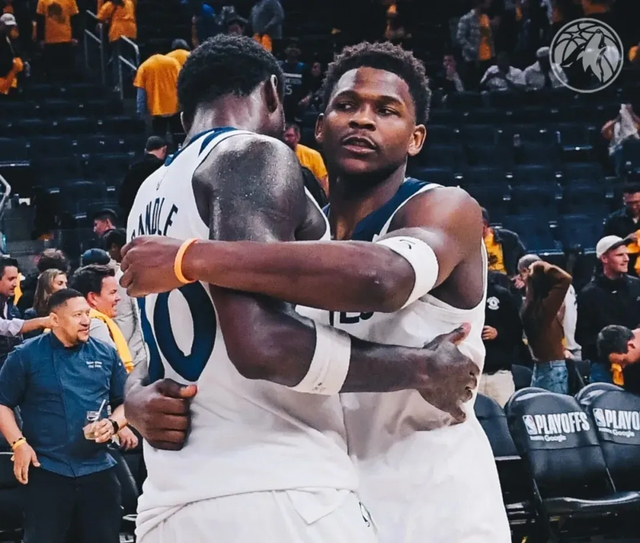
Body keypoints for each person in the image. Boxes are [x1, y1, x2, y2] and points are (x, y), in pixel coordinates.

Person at [121, 38, 507, 543]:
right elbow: (210, 333)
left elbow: (384, 277)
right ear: (318, 127)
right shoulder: (290, 229)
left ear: (416, 138)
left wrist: (191, 258)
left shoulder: (445, 208)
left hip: (433, 498)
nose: (363, 120)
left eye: (386, 110)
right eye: (347, 105)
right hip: (321, 492)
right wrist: (135, 394)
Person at [0, 288, 136, 543]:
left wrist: (114, 423)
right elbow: (2, 403)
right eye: (77, 315)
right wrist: (18, 444)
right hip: (47, 468)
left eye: (87, 314)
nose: (86, 321)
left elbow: (127, 402)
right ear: (54, 320)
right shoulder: (25, 356)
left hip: (97, 467)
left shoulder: (105, 353)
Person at [577, 235, 640, 367]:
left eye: (626, 254)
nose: (626, 259)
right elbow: (582, 336)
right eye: (620, 255)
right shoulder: (588, 294)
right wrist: (613, 347)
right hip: (603, 365)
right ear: (604, 258)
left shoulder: (636, 286)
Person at [521, 260, 572, 394]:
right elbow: (565, 279)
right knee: (556, 406)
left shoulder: (531, 308)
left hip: (542, 367)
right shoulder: (544, 311)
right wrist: (543, 266)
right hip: (553, 370)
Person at [70, 265, 133, 373]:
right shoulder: (95, 325)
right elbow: (105, 372)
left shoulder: (68, 320)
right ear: (93, 298)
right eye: (112, 292)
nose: (118, 298)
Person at [104, 228, 147, 369]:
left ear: (114, 247)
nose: (110, 255)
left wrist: (130, 353)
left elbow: (138, 318)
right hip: (125, 347)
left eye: (110, 250)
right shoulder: (119, 275)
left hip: (134, 350)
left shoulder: (128, 276)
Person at [480, 271, 522, 406]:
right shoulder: (458, 295)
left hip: (499, 373)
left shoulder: (501, 294)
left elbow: (516, 332)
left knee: (505, 413)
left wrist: (498, 333)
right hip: (470, 374)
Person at [0, 257, 50, 368]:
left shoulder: (13, 308)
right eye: (10, 279)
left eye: (16, 279)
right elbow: (5, 327)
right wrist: (42, 322)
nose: (15, 284)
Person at [134, 50, 181, 137]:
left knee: (159, 137)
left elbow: (141, 94)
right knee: (178, 136)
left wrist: (141, 112)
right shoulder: (173, 62)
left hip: (156, 109)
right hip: (175, 107)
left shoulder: (144, 67)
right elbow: (181, 83)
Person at [119, 136, 167, 217]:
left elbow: (122, 200)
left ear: (145, 150)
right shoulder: (163, 169)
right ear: (164, 149)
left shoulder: (133, 168)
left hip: (135, 217)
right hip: (157, 216)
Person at [35, 0, 79, 82]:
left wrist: (75, 36)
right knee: (51, 71)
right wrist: (41, 38)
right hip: (49, 39)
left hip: (66, 38)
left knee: (66, 70)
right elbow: (40, 21)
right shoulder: (42, 1)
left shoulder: (70, 1)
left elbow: (75, 19)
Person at [97, 0, 136, 87]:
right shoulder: (129, 3)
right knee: (127, 55)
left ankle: (118, 83)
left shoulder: (110, 4)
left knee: (117, 58)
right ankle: (131, 74)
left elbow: (100, 16)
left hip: (117, 32)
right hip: (131, 31)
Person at [456, 0, 495, 89]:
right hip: (472, 60)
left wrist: (492, 53)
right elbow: (460, 37)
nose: (489, 6)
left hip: (487, 59)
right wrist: (472, 49)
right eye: (487, 3)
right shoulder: (466, 18)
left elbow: (488, 36)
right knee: (473, 87)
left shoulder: (485, 18)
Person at [17, 248, 69, 313]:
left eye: (65, 283)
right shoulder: (28, 298)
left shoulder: (70, 299)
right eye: (60, 283)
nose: (65, 288)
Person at [604, 183, 640, 275]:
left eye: (637, 202)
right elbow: (606, 246)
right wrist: (625, 240)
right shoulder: (614, 219)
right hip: (624, 269)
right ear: (624, 200)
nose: (634, 206)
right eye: (630, 203)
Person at [283, 122, 328, 194]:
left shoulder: (313, 155)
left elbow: (323, 183)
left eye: (289, 136)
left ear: (298, 137)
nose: (286, 139)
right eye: (283, 136)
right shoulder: (276, 154)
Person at [23, 269, 67, 338]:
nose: (65, 288)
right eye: (60, 283)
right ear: (47, 287)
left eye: (66, 284)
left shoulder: (69, 312)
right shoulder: (31, 314)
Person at [483, 207, 526, 277]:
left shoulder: (509, 238)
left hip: (507, 279)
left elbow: (525, 261)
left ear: (484, 224)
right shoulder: (468, 244)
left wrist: (520, 277)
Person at [601, 105, 640, 177]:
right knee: (621, 149)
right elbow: (604, 131)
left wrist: (632, 114)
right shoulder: (613, 124)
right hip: (617, 148)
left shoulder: (634, 124)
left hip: (633, 148)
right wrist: (618, 118)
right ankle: (619, 173)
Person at [279, 39, 306, 120]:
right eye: (291, 46)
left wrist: (307, 99)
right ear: (285, 50)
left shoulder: (304, 68)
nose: (293, 49)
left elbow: (309, 89)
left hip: (297, 108)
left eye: (296, 47)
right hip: (281, 106)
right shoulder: (279, 66)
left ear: (300, 51)